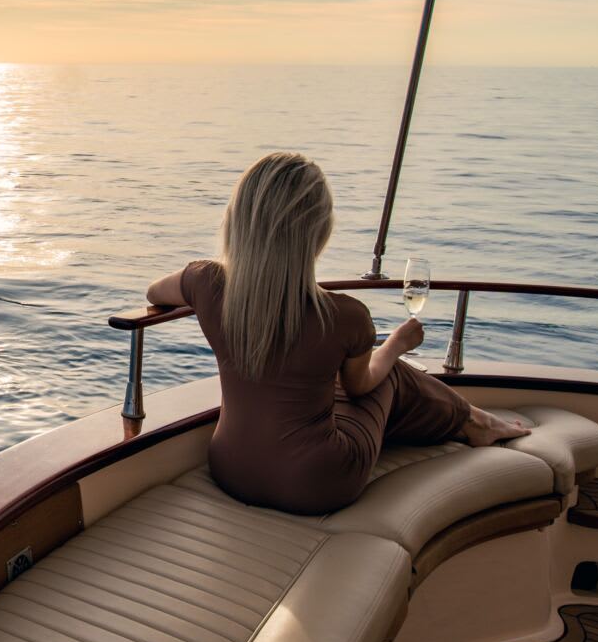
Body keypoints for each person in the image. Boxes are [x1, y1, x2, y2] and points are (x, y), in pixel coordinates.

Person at [147, 151, 529, 514]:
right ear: (319, 232)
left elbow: (154, 292)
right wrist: (396, 344)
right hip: (317, 482)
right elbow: (361, 387)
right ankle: (476, 422)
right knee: (391, 372)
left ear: (237, 221)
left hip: (230, 468)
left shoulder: (206, 283)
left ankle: (473, 420)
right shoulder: (344, 314)